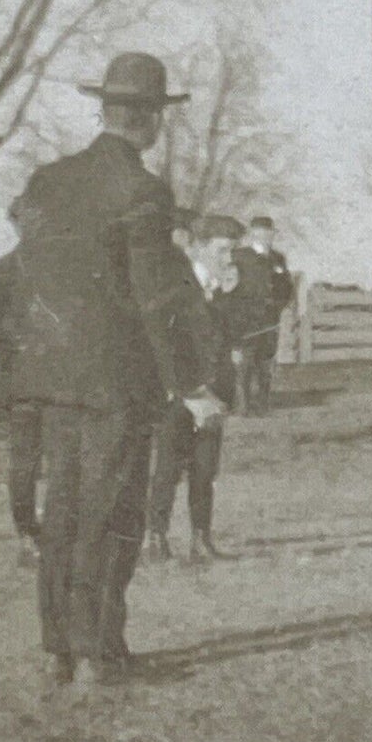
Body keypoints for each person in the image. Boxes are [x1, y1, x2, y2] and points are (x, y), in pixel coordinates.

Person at [10, 53, 222, 690]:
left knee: (65, 508)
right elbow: (158, 298)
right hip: (116, 380)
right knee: (112, 510)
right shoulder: (144, 190)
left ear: (103, 110)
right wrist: (192, 386)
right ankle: (102, 652)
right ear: (153, 121)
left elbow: (28, 254)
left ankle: (58, 650)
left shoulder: (47, 182)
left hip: (51, 372)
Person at [147, 215, 243, 563]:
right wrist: (189, 394)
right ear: (199, 248)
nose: (228, 258)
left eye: (232, 251)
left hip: (212, 397)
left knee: (205, 469)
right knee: (168, 468)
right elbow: (164, 339)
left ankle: (201, 540)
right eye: (221, 250)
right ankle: (156, 538)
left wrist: (219, 397)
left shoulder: (218, 292)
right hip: (182, 395)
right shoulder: (177, 285)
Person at [0, 201, 44, 568]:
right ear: (16, 225)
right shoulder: (2, 270)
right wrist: (17, 344)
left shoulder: (63, 272)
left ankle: (59, 533)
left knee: (68, 461)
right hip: (22, 384)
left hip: (63, 383)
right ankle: (26, 535)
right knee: (24, 463)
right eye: (28, 222)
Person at [227, 215, 294, 416]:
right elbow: (230, 287)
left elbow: (286, 287)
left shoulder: (278, 259)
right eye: (260, 232)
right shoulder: (239, 256)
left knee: (266, 362)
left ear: (273, 234)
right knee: (245, 362)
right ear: (252, 234)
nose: (265, 236)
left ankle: (263, 405)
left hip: (269, 319)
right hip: (245, 319)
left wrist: (279, 306)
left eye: (269, 232)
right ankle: (244, 406)